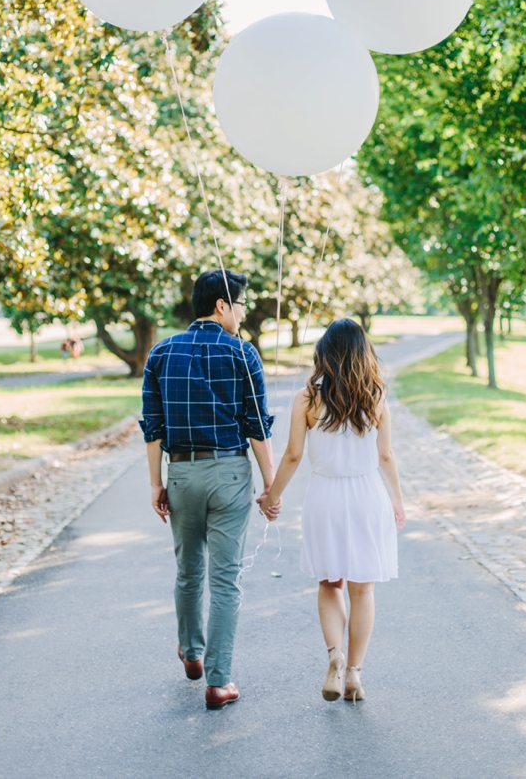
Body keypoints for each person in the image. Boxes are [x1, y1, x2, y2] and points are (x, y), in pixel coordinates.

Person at [140, 269, 278, 711]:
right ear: (222, 305)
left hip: (181, 474)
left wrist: (155, 483)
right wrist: (271, 486)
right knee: (225, 579)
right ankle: (219, 682)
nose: (244, 312)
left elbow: (153, 430)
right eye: (240, 304)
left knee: (187, 571)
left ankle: (191, 651)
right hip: (231, 476)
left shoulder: (161, 353)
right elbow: (257, 429)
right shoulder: (244, 354)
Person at [257, 318, 406, 704]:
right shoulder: (375, 395)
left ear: (325, 352)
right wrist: (397, 500)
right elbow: (386, 455)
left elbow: (292, 455)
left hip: (324, 498)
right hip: (367, 495)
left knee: (329, 583)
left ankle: (334, 657)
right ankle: (355, 673)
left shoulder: (308, 397)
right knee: (363, 588)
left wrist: (271, 495)